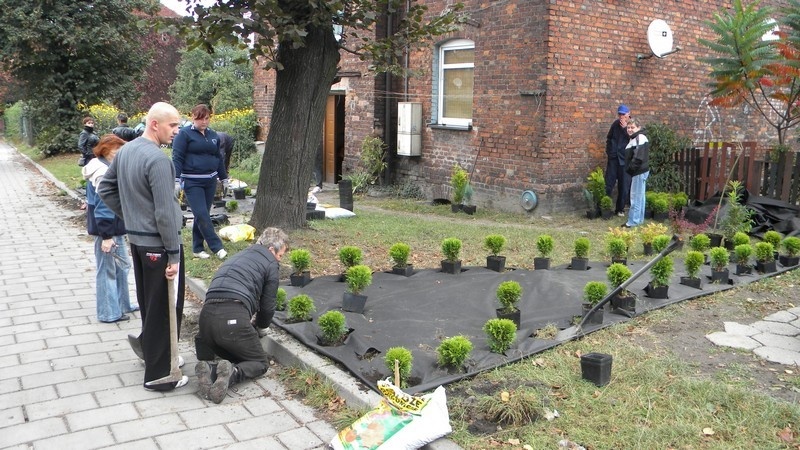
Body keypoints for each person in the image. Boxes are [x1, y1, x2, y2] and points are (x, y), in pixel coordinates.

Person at [98, 102, 188, 391]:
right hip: (160, 246)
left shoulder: (126, 151)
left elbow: (105, 188)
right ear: (154, 124)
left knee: (151, 303)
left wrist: (132, 218)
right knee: (165, 307)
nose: (177, 130)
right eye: (172, 125)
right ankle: (160, 376)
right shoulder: (159, 160)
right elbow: (164, 212)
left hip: (139, 243)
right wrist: (173, 254)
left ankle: (157, 355)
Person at [195, 227, 287, 404]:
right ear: (271, 250)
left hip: (206, 321)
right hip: (232, 320)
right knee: (259, 362)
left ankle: (209, 367)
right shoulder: (270, 263)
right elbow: (267, 306)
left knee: (234, 354)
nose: (279, 259)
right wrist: (261, 327)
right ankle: (231, 374)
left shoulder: (239, 256)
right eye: (280, 255)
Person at [82, 134, 137, 323]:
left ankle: (123, 304)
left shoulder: (104, 166)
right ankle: (108, 313)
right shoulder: (102, 172)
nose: (120, 154)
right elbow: (103, 206)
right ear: (105, 151)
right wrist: (106, 237)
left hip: (115, 229)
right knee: (107, 270)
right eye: (117, 151)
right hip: (106, 231)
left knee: (123, 266)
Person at [172, 104, 229, 260]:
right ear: (193, 118)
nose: (204, 122)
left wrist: (224, 178)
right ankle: (217, 247)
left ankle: (197, 248)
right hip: (192, 181)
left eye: (207, 118)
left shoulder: (213, 135)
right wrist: (176, 179)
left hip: (210, 181)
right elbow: (177, 157)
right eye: (200, 119)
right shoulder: (184, 134)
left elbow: (218, 158)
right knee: (202, 214)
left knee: (202, 215)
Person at [623, 117, 650, 228]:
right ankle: (639, 220)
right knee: (640, 197)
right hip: (639, 171)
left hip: (638, 171)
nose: (630, 129)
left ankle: (633, 222)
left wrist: (630, 169)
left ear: (638, 127)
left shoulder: (640, 137)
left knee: (635, 197)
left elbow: (638, 157)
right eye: (628, 127)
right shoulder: (634, 138)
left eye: (632, 127)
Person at [605, 104, 632, 217]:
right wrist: (609, 151)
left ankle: (620, 209)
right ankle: (604, 207)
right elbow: (609, 138)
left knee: (624, 186)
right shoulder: (615, 124)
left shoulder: (632, 125)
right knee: (608, 183)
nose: (621, 116)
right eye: (619, 114)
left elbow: (634, 139)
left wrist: (626, 128)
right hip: (613, 159)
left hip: (625, 161)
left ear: (628, 114)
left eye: (623, 114)